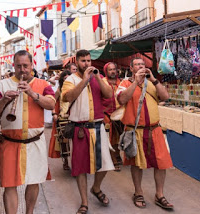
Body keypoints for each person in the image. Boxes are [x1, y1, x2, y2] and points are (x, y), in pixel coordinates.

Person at [0, 50, 55, 214]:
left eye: (25, 66)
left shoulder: (44, 85)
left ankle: (29, 212)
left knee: (33, 182)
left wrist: (31, 93)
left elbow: (51, 105)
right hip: (10, 142)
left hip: (35, 142)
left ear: (31, 65)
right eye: (19, 66)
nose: (22, 70)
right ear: (13, 66)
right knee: (10, 184)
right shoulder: (0, 86)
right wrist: (4, 99)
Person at [116, 57, 174, 210]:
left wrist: (154, 79)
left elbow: (165, 97)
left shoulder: (152, 83)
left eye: (143, 64)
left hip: (155, 130)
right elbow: (122, 99)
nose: (141, 66)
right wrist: (135, 81)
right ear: (131, 67)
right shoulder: (125, 83)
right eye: (137, 65)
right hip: (135, 132)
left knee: (161, 163)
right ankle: (138, 192)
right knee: (136, 164)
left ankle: (159, 194)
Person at [61, 49, 114, 214]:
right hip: (80, 129)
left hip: (98, 127)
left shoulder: (98, 78)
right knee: (80, 168)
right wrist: (84, 80)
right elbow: (67, 97)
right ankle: (84, 202)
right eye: (83, 61)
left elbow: (109, 95)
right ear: (77, 62)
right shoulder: (70, 79)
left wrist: (97, 77)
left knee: (106, 164)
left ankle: (96, 188)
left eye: (89, 61)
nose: (87, 64)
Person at [102, 62, 123, 171]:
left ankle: (117, 154)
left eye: (114, 69)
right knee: (109, 137)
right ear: (106, 71)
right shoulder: (103, 82)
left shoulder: (122, 82)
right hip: (106, 114)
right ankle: (113, 159)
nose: (113, 71)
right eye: (110, 70)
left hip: (121, 113)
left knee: (119, 137)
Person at [48, 70, 72, 170]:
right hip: (63, 118)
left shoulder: (76, 88)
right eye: (65, 78)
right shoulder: (59, 90)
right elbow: (53, 102)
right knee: (64, 141)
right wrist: (54, 113)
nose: (67, 79)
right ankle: (66, 161)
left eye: (68, 78)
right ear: (62, 80)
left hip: (75, 118)